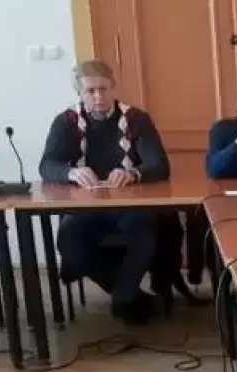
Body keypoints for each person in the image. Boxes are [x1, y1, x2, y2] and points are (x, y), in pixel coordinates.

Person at [39, 59, 171, 324]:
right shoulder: (66, 122)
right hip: (84, 206)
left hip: (128, 205)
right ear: (79, 92)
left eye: (103, 89)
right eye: (90, 91)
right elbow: (47, 165)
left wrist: (133, 174)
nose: (98, 96)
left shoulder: (136, 119)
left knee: (144, 232)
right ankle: (128, 296)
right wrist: (70, 172)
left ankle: (125, 297)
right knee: (68, 241)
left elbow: (159, 165)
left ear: (113, 87)